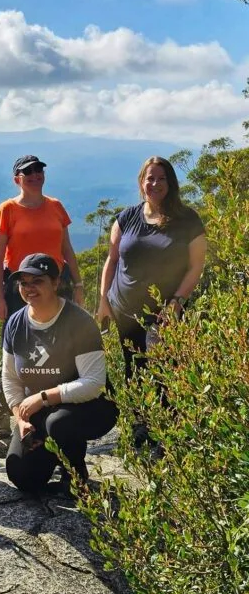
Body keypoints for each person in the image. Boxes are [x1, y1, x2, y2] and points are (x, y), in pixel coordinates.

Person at [97, 157, 206, 442]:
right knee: (134, 366)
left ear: (170, 184)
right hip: (125, 308)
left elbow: (196, 265)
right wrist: (103, 300)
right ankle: (139, 430)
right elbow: (112, 259)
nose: (154, 184)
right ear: (141, 182)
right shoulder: (126, 217)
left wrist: (177, 302)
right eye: (150, 178)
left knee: (162, 369)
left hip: (166, 311)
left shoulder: (187, 220)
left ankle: (167, 435)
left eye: (161, 179)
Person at [2, 254, 117, 494]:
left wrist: (43, 397)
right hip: (40, 410)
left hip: (90, 406)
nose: (29, 288)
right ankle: (51, 450)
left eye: (37, 281)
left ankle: (75, 475)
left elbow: (94, 383)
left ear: (56, 283)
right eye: (24, 282)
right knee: (22, 476)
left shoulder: (78, 322)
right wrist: (20, 419)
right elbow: (10, 377)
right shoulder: (15, 323)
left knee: (60, 423)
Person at [0, 154, 84, 441]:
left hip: (57, 286)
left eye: (38, 170)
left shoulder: (55, 207)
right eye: (27, 171)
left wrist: (78, 285)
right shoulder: (7, 210)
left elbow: (66, 249)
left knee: (61, 348)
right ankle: (3, 423)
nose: (34, 175)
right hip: (22, 290)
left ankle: (56, 415)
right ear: (16, 178)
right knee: (13, 352)